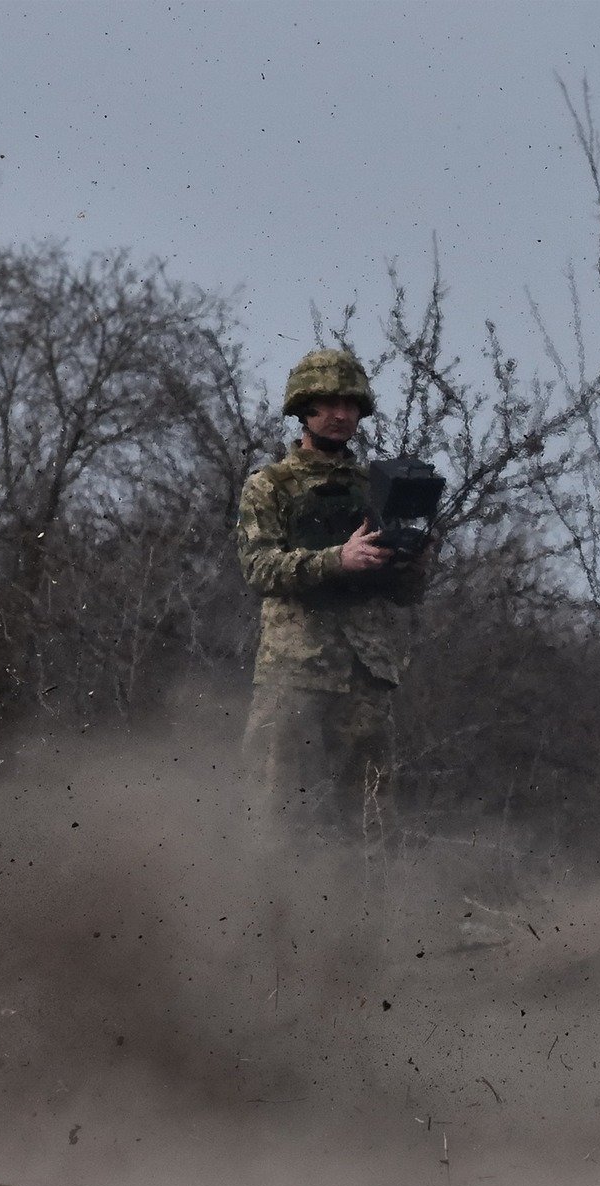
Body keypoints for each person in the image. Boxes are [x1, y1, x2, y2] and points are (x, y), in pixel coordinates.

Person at [236, 348, 430, 829]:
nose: (341, 415)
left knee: (369, 822)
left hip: (365, 674)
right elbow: (259, 568)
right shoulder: (271, 485)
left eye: (350, 404)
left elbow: (406, 594)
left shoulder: (375, 487)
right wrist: (336, 560)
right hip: (295, 670)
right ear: (303, 409)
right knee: (271, 816)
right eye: (327, 403)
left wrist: (412, 557)